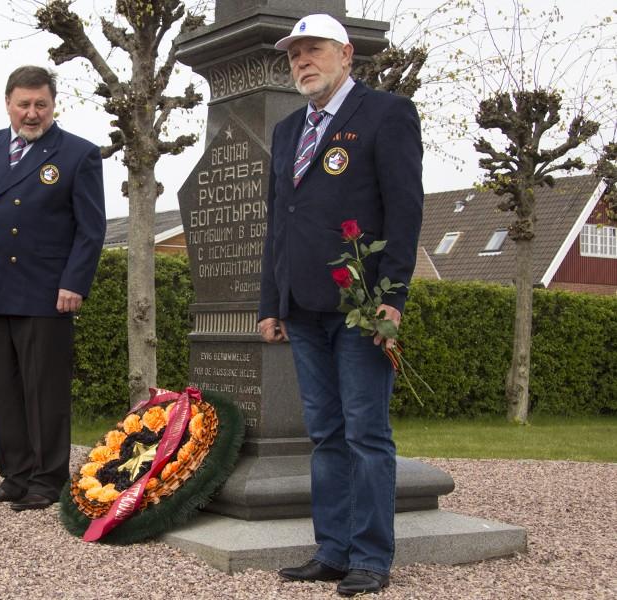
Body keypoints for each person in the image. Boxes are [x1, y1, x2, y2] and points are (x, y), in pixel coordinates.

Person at [257, 14, 423, 596]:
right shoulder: (285, 132)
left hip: (361, 308)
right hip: (301, 308)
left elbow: (404, 214)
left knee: (366, 435)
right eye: (294, 54)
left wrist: (393, 299)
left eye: (314, 50)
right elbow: (279, 224)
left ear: (346, 54)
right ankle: (332, 549)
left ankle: (371, 557)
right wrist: (269, 303)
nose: (302, 61)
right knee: (324, 433)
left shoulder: (386, 114)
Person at [0, 65, 106, 512]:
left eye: (41, 105)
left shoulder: (78, 154)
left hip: (47, 292)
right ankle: (14, 476)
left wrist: (74, 282)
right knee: (3, 389)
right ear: (8, 103)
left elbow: (91, 229)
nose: (32, 114)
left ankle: (47, 481)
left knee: (44, 390)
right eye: (24, 104)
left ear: (53, 106)